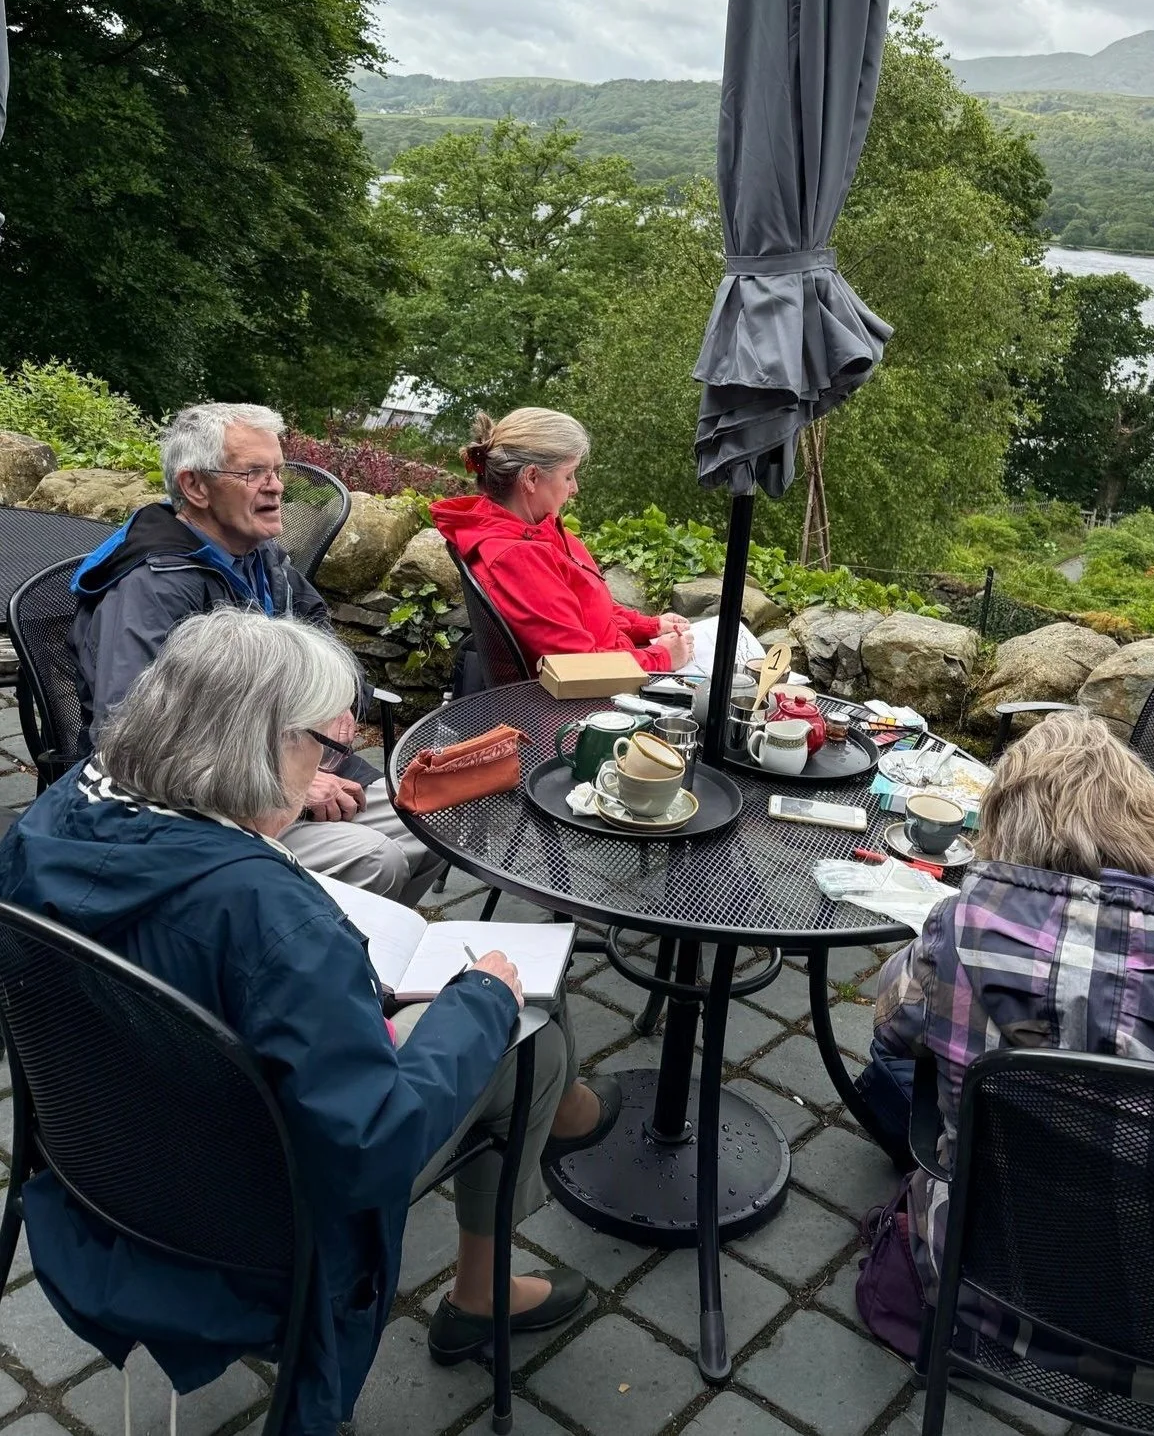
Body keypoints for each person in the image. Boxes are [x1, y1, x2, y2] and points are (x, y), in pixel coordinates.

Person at [0, 611, 621, 1432]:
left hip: (103, 1171)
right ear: (254, 745)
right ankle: (483, 1287)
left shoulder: (47, 822)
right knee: (528, 1026)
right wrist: (479, 1001)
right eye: (318, 747)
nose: (327, 764)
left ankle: (558, 1116)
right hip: (252, 1229)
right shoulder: (272, 922)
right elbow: (372, 1144)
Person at [857, 712, 1154, 1416]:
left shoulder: (960, 932)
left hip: (995, 1296)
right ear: (1151, 828)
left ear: (1003, 829)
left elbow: (889, 1027)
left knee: (903, 1070)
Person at [68, 401, 438, 903]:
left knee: (434, 813)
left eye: (278, 470)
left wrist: (342, 705)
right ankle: (312, 957)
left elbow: (321, 642)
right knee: (376, 859)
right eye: (253, 472)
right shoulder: (152, 587)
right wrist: (283, 782)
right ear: (195, 486)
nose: (277, 485)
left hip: (292, 754)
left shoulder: (261, 558)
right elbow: (126, 735)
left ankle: (372, 952)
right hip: (205, 803)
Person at [431, 409, 695, 674]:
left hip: (613, 671)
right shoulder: (518, 558)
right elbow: (578, 666)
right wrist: (661, 658)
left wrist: (650, 626)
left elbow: (587, 611)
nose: (574, 488)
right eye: (568, 475)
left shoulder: (533, 531)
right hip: (594, 697)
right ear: (531, 478)